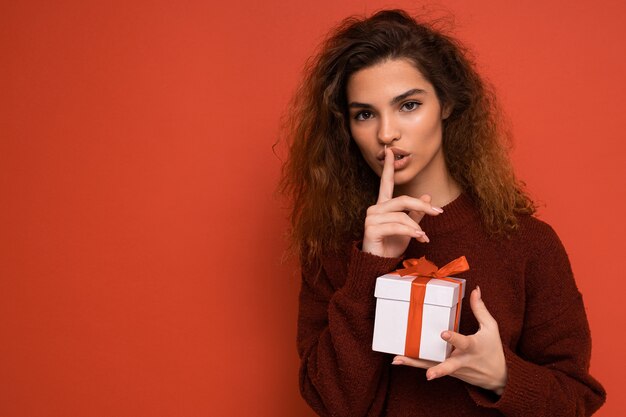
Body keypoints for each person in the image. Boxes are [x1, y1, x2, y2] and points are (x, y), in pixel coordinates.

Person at [279, 9, 605, 417]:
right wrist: (368, 267)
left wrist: (502, 376)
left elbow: (577, 401)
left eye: (409, 105)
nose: (386, 133)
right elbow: (333, 404)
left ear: (446, 104)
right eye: (365, 114)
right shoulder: (331, 248)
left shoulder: (528, 243)